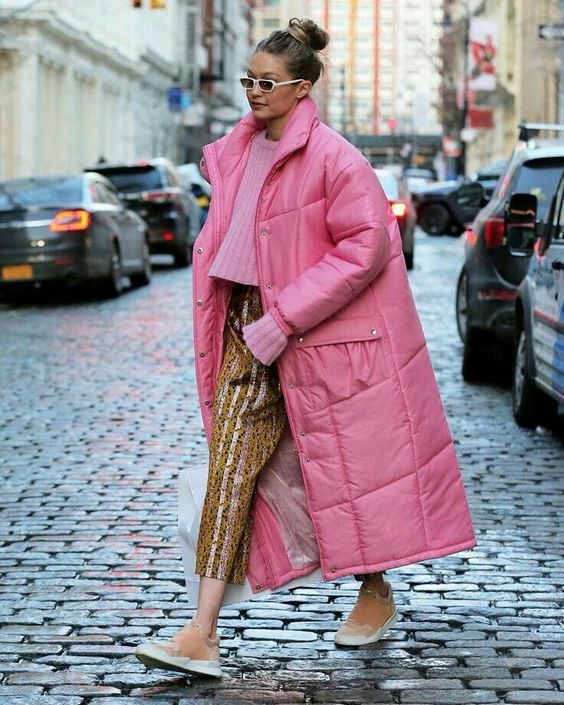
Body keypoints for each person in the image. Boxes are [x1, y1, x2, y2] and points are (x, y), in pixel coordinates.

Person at [135, 17, 476, 678]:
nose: (253, 93)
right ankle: (201, 632)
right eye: (248, 81)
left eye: (267, 82)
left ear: (302, 87)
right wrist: (242, 319)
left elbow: (367, 246)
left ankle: (375, 589)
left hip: (310, 334)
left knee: (341, 472)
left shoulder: (335, 158)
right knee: (232, 468)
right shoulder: (234, 151)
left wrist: (283, 317)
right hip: (244, 328)